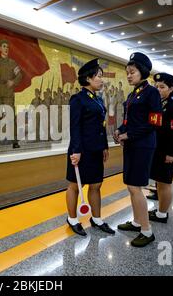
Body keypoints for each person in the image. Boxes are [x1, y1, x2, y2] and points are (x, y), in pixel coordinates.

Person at [113, 52, 162, 247]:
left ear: (142, 72)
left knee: (136, 187)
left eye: (132, 72)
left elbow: (154, 123)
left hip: (142, 145)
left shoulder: (151, 93)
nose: (129, 76)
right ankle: (136, 222)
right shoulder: (133, 94)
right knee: (130, 186)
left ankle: (147, 230)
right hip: (132, 145)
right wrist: (120, 130)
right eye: (127, 72)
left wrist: (129, 135)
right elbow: (129, 121)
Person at [66, 58, 114, 236]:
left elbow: (101, 126)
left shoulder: (98, 99)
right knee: (75, 186)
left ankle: (96, 218)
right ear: (88, 79)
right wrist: (76, 151)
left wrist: (105, 146)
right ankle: (72, 218)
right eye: (98, 76)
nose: (101, 80)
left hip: (95, 150)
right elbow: (75, 127)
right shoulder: (78, 99)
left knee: (96, 185)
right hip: (81, 150)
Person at [149, 73, 173, 223]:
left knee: (165, 183)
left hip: (168, 152)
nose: (158, 89)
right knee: (159, 182)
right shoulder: (156, 105)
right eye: (156, 86)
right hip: (157, 150)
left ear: (171, 89)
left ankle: (162, 214)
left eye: (162, 87)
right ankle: (160, 210)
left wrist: (171, 153)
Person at [0, 39, 22, 151]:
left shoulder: (12, 63)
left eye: (7, 47)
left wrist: (13, 82)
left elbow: (19, 75)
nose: (6, 49)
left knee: (11, 116)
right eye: (4, 46)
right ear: (0, 48)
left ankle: (15, 141)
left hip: (8, 91)